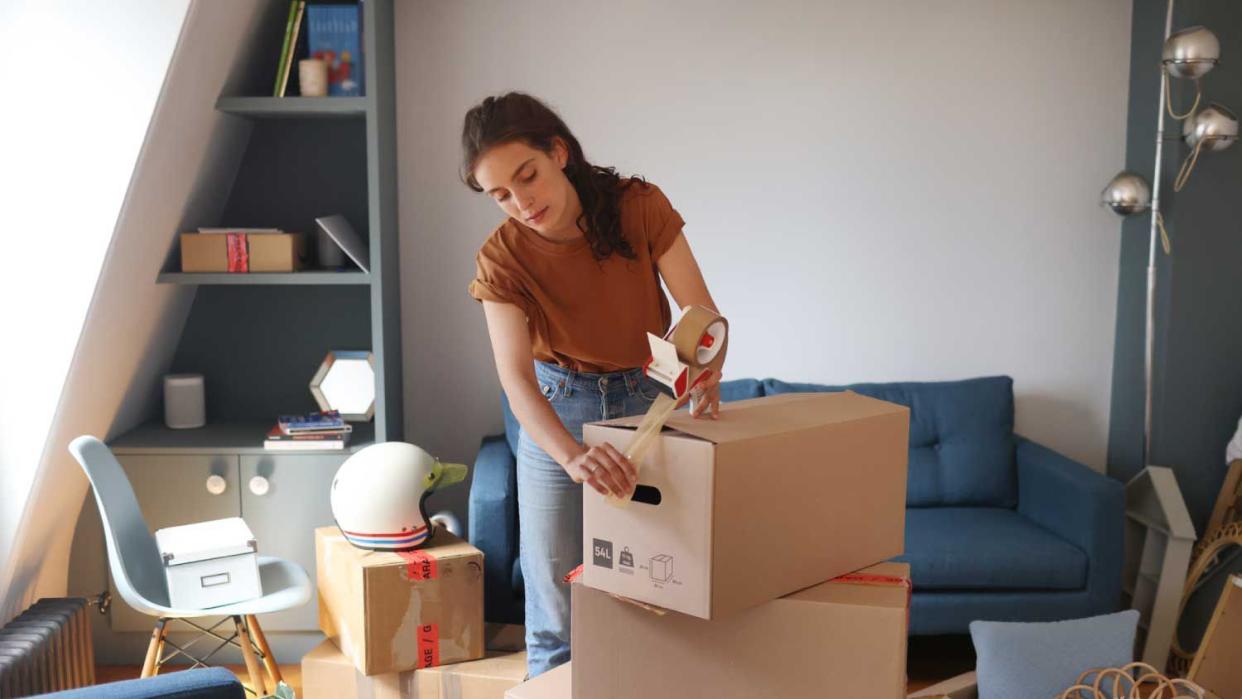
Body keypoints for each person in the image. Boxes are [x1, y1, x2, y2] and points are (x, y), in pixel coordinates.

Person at [462, 92, 723, 677]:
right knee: (554, 604)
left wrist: (706, 364)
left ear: (558, 152)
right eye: (500, 195)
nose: (520, 202)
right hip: (559, 404)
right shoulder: (500, 260)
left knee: (665, 583)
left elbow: (698, 312)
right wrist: (573, 456)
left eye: (527, 176)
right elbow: (515, 377)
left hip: (649, 392)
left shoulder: (638, 206)